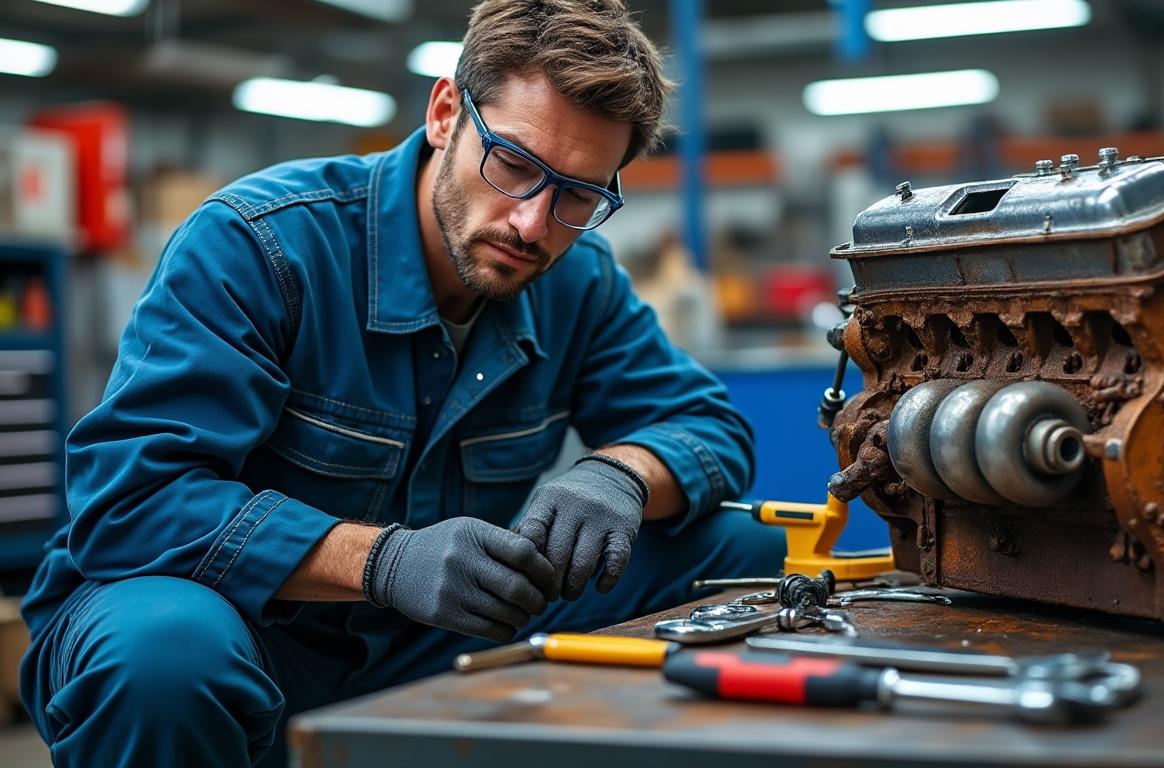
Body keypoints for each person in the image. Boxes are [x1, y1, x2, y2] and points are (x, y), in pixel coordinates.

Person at [18, 2, 784, 765]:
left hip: (430, 640)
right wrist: (383, 562)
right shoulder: (261, 245)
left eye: (578, 195)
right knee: (166, 654)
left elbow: (707, 426)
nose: (532, 223)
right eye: (513, 165)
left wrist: (622, 473)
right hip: (248, 638)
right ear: (446, 113)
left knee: (734, 548)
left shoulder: (576, 280)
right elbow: (131, 504)